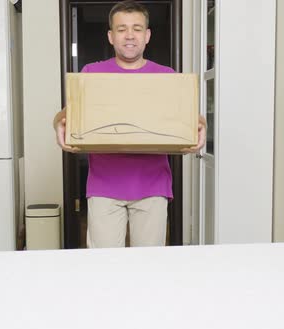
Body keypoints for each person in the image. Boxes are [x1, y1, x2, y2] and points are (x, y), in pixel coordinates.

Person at [53, 0, 206, 248]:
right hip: (104, 186)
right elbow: (69, 115)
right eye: (121, 29)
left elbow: (188, 118)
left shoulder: (166, 76)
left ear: (147, 35)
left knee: (148, 268)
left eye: (136, 28)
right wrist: (57, 124)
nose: (129, 35)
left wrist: (201, 126)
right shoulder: (91, 73)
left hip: (152, 185)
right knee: (104, 267)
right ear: (111, 36)